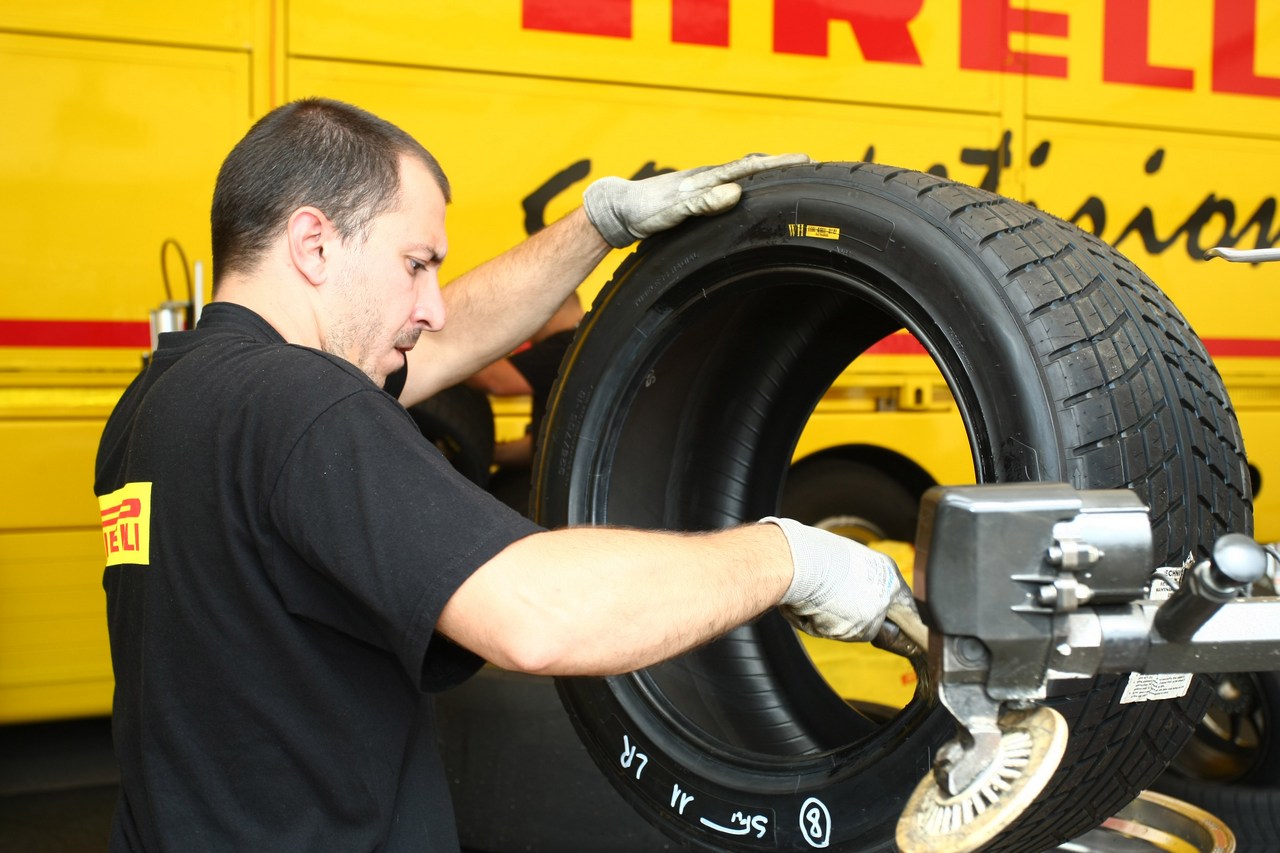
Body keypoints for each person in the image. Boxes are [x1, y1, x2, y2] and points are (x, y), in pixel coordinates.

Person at [94, 98, 925, 852]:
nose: (433, 304)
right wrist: (793, 560)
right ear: (314, 244)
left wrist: (595, 225)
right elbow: (540, 615)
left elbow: (448, 346)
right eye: (417, 262)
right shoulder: (299, 404)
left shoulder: (160, 401)